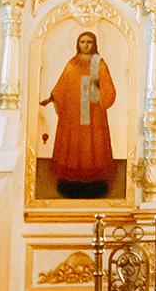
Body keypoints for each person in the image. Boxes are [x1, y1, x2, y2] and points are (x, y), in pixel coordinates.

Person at [42, 31, 117, 198]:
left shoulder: (99, 63)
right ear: (78, 44)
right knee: (73, 144)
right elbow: (63, 84)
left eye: (89, 42)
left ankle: (95, 183)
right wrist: (52, 97)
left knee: (93, 144)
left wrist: (98, 86)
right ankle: (70, 183)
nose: (86, 45)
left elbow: (108, 87)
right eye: (83, 41)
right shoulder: (72, 63)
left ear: (94, 44)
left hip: (94, 115)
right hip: (72, 114)